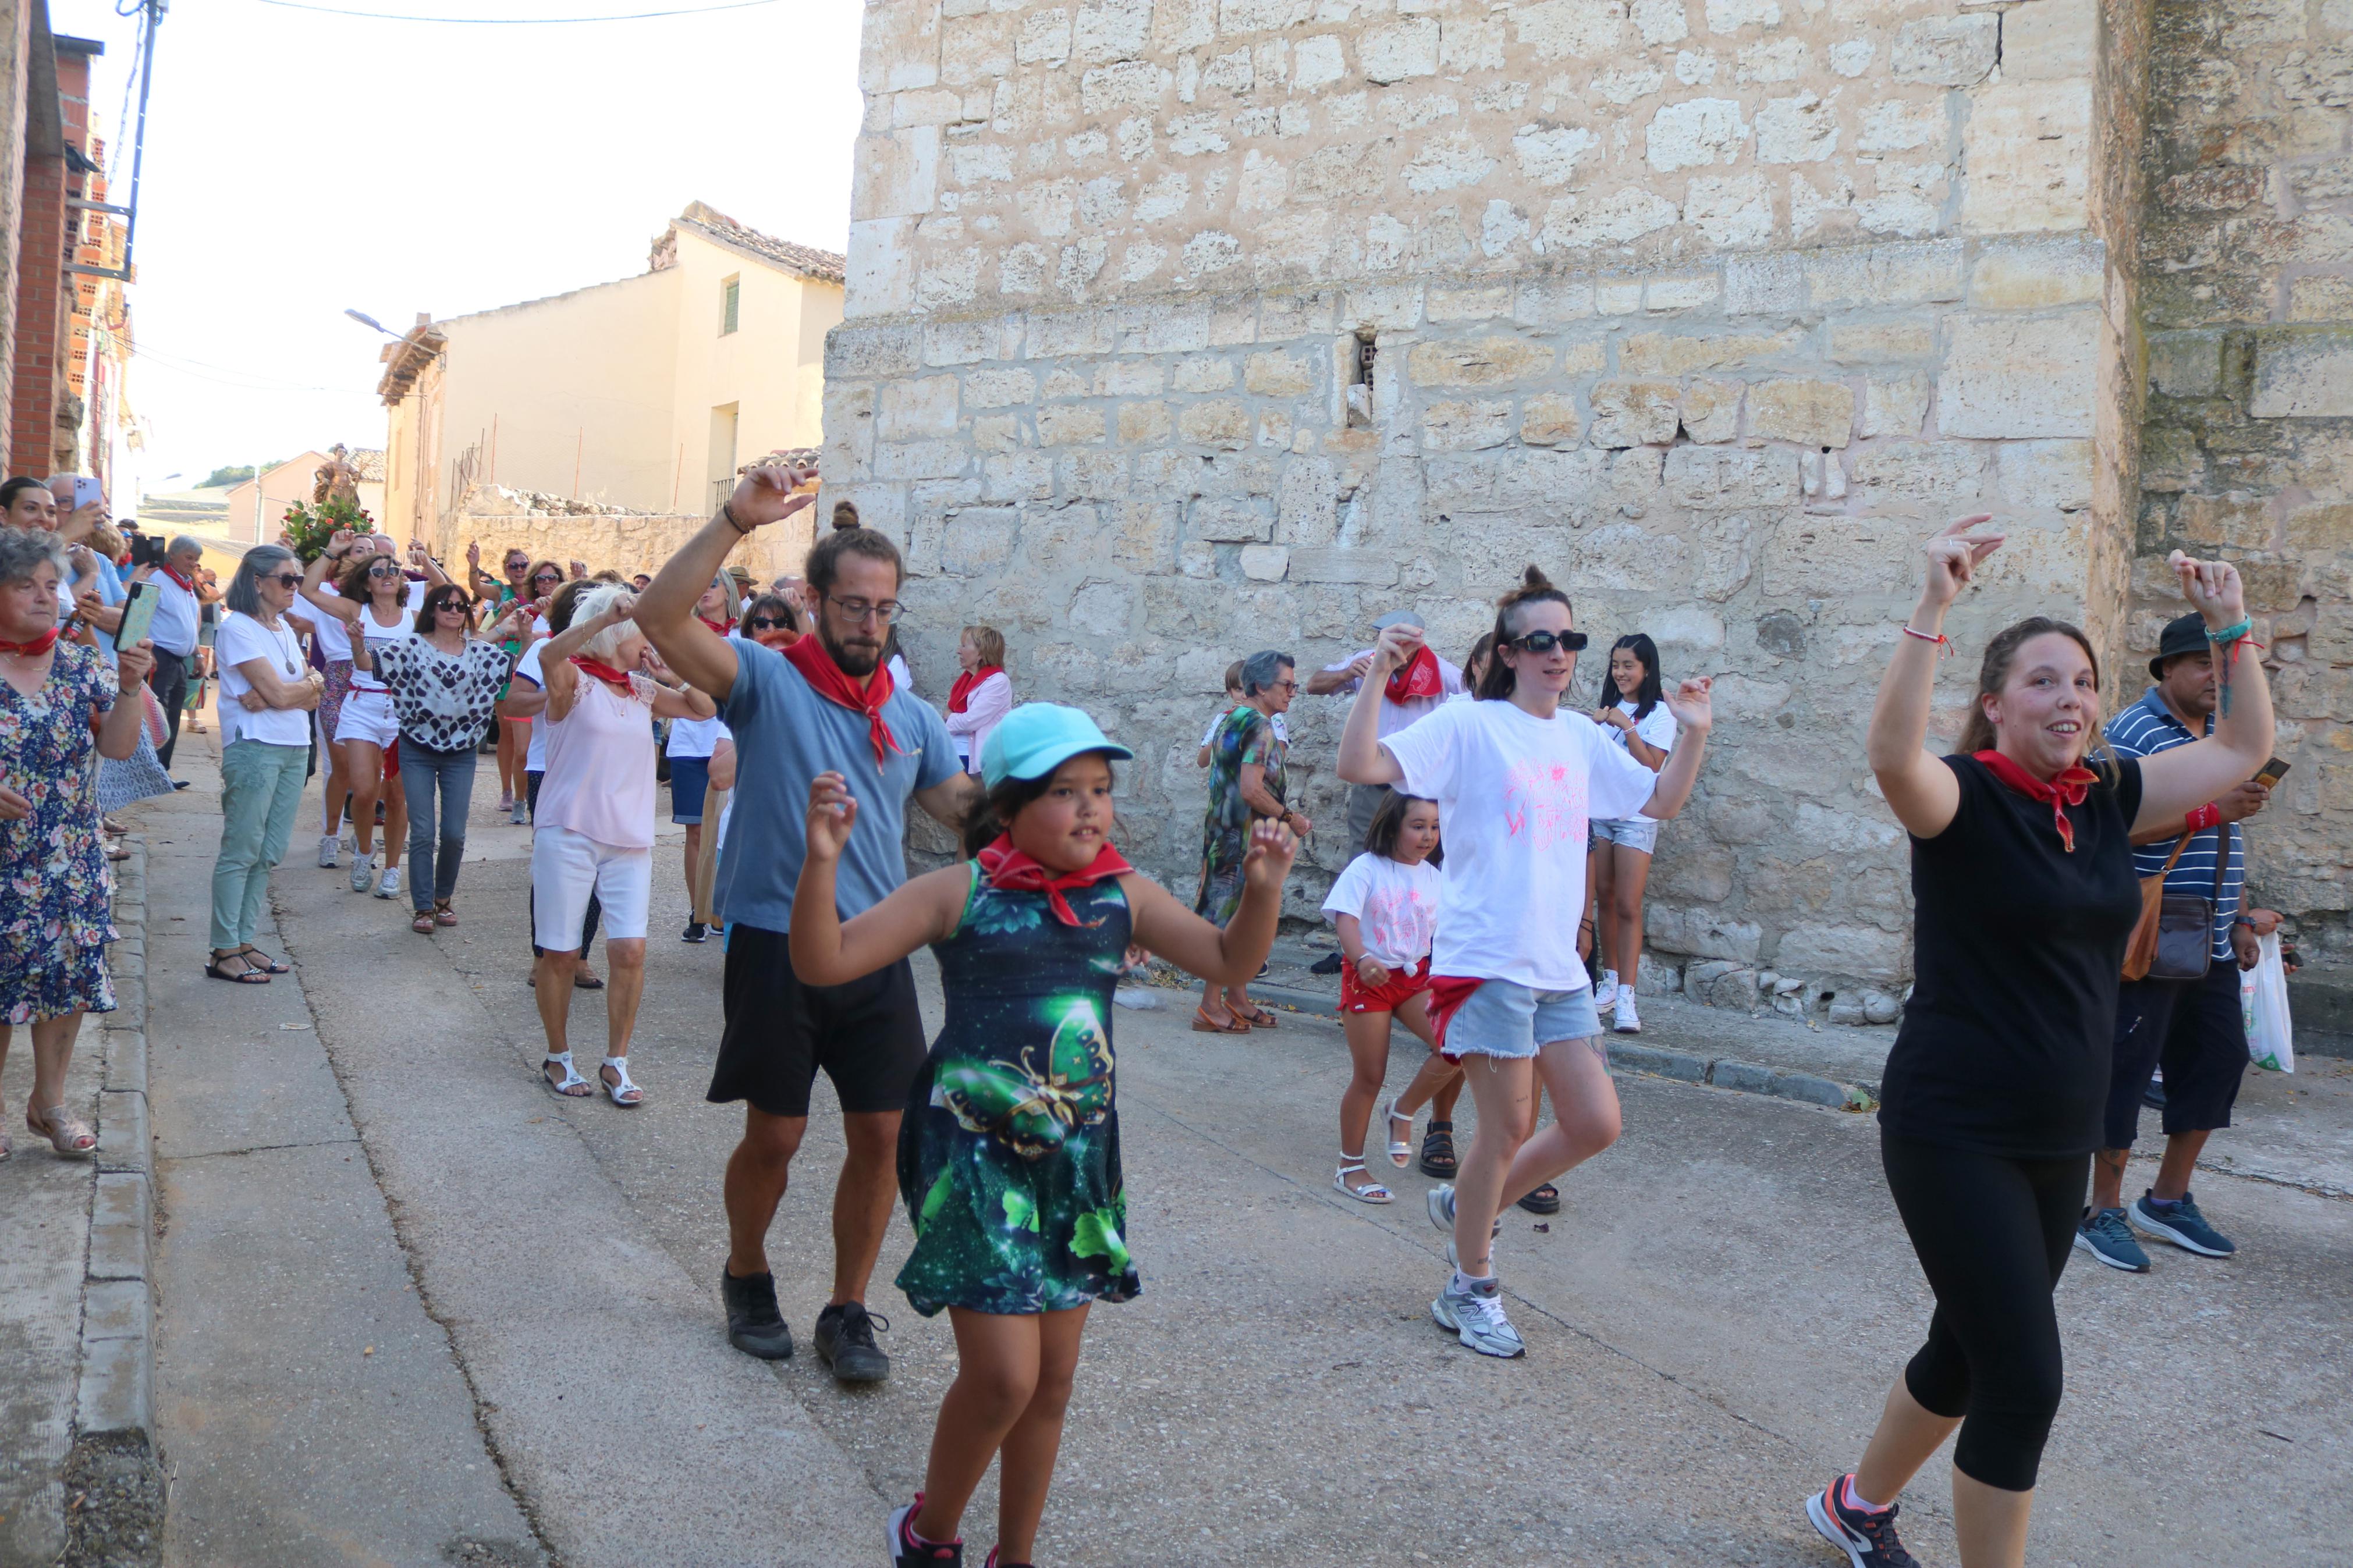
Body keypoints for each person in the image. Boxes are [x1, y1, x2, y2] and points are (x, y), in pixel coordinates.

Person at [1810, 525, 2270, 1568]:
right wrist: (1928, 607)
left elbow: (2239, 749)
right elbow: (1889, 758)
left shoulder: (2108, 797)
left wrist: (2230, 627)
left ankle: (1853, 1505)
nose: (2069, 698)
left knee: (1970, 1349)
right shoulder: (1960, 800)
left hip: (2058, 1134)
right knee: (2024, 1380)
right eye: (2041, 681)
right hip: (1952, 1129)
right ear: (1993, 704)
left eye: (2082, 682)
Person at [787, 705, 1295, 1568]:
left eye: (1099, 788)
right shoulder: (962, 891)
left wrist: (1263, 888)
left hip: (1077, 1156)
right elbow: (824, 958)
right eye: (1064, 790)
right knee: (1004, 1378)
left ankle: (1013, 1553)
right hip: (972, 1152)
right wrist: (822, 863)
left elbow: (1226, 962)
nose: (1089, 807)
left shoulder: (1120, 893)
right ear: (1009, 803)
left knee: (1051, 1381)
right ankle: (928, 1531)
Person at [634, 466, 978, 1386]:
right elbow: (661, 621)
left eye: (884, 608)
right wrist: (731, 523)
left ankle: (846, 1308)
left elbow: (969, 814)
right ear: (819, 602)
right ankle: (747, 1270)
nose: (870, 623)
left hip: (878, 949)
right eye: (853, 605)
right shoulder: (767, 680)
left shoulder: (910, 719)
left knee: (880, 1136)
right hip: (775, 942)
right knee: (776, 1135)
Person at [1338, 566, 1713, 1359]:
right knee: (1506, 1125)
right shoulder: (1469, 725)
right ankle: (1469, 1286)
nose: (1558, 652)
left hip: (1555, 970)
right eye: (1539, 640)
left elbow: (1659, 802)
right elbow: (1360, 763)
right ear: (1508, 652)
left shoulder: (1580, 735)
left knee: (1594, 1122)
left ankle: (1466, 1208)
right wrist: (1375, 670)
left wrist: (1693, 731)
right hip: (1486, 959)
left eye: (1568, 638)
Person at [2072, 613, 2271, 1274]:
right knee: (2125, 1073)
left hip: (2209, 933)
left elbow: (2226, 839)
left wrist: (2239, 917)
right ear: (2166, 670)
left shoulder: (2224, 734)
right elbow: (2106, 832)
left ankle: (2165, 1199)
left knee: (2218, 1061)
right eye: (2200, 667)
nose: (2216, 681)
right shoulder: (2130, 733)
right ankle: (2100, 1209)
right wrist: (2210, 810)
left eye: (2222, 668)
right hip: (2148, 930)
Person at [530, 585, 718, 1107]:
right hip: (569, 830)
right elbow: (549, 653)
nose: (648, 638)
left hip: (629, 838)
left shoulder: (640, 689)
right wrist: (599, 622)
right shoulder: (575, 680)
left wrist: (666, 672)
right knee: (562, 952)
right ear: (617, 631)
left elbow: (702, 708)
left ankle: (617, 1062)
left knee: (630, 950)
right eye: (641, 630)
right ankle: (557, 1055)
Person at [0, 527, 155, 1156]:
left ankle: (50, 1106)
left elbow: (116, 748)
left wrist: (129, 686)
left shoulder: (82, 662)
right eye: (24, 586)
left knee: (62, 977)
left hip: (67, 853)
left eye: (50, 585)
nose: (43, 597)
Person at [361, 582, 527, 933]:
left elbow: (516, 671)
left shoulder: (478, 651)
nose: (453, 610)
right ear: (432, 610)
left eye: (459, 605)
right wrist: (353, 639)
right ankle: (423, 906)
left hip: (462, 752)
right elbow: (367, 663)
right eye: (445, 604)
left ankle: (443, 899)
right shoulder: (410, 646)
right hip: (416, 748)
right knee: (422, 832)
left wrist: (525, 637)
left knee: (453, 834)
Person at [1320, 791, 1458, 1203]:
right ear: (1392, 826)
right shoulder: (1366, 868)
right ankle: (1349, 1168)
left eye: (1434, 827)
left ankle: (1402, 1109)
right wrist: (1360, 958)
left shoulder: (1437, 877)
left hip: (1415, 977)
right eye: (1418, 826)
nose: (1428, 835)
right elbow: (1346, 921)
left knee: (1456, 1043)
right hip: (1369, 976)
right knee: (1369, 1075)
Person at [206, 545, 325, 984]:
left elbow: (311, 689)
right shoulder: (238, 628)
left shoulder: (281, 628)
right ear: (257, 581)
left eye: (297, 578)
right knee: (242, 849)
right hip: (255, 746)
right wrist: (294, 690)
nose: (295, 586)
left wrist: (297, 687)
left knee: (269, 852)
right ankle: (223, 948)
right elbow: (283, 694)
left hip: (294, 746)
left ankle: (243, 940)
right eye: (287, 579)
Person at [303, 532, 441, 899]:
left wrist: (425, 564)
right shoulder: (355, 610)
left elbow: (446, 595)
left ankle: (393, 870)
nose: (387, 574)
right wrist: (330, 551)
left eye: (393, 570)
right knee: (364, 791)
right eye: (378, 571)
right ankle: (365, 851)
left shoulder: (413, 617)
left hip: (402, 711)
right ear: (367, 582)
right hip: (361, 705)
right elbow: (309, 589)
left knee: (398, 795)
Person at [1193, 649, 1308, 1034]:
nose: (1293, 692)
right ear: (1260, 686)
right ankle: (1209, 1005)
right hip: (1240, 838)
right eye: (1287, 685)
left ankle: (1237, 997)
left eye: (1294, 685)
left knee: (1234, 919)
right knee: (1224, 920)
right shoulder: (1259, 726)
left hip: (1226, 831)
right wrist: (1291, 818)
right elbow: (1250, 789)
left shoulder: (1234, 718)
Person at [1305, 607, 1467, 853]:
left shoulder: (1446, 676)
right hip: (1371, 780)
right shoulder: (1367, 662)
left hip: (1417, 784)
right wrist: (1346, 673)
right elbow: (1313, 685)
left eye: (1405, 643)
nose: (1396, 649)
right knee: (1364, 850)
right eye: (1389, 640)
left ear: (1418, 642)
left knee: (1418, 858)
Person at [509, 581, 605, 990]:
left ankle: (581, 955)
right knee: (553, 867)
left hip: (601, 773)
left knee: (599, 866)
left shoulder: (611, 652)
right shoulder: (542, 649)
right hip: (548, 769)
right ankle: (542, 955)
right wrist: (558, 697)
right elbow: (513, 702)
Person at [1589, 633, 1676, 1034]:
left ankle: (1627, 994)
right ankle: (1608, 983)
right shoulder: (1605, 708)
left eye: (1629, 665)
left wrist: (1626, 726)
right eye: (1616, 665)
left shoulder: (1659, 712)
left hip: (1637, 817)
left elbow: (1652, 767)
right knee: (1602, 899)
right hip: (1600, 812)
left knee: (1627, 903)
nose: (1620, 672)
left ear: (1646, 668)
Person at [668, 573, 741, 944]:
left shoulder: (743, 636)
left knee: (725, 832)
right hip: (689, 740)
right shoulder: (686, 632)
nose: (705, 589)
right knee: (696, 831)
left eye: (713, 582)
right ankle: (698, 909)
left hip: (727, 741)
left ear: (728, 590)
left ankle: (720, 909)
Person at [127, 532, 212, 773]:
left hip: (180, 660)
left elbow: (188, 624)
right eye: (188, 557)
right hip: (160, 657)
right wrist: (146, 648)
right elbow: (139, 616)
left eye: (196, 559)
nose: (193, 564)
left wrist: (196, 654)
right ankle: (146, 771)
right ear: (172, 554)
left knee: (173, 716)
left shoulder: (186, 584)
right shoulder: (158, 579)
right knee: (156, 716)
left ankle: (162, 770)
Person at [944, 624, 1011, 776]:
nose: (958, 651)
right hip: (955, 755)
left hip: (976, 763)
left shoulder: (998, 682)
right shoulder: (967, 681)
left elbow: (970, 722)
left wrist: (948, 718)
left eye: (964, 646)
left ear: (980, 653)